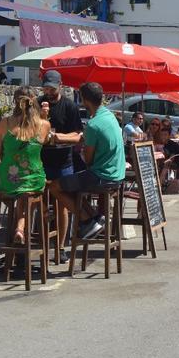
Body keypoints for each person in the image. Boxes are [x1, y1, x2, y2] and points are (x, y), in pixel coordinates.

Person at [52, 82, 126, 240]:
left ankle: (87, 220)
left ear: (84, 100)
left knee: (55, 186)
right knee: (73, 184)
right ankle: (94, 219)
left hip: (102, 177)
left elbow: (88, 159)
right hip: (117, 176)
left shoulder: (93, 125)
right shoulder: (109, 116)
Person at [0, 87, 51, 244]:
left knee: (20, 193)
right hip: (34, 179)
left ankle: (19, 227)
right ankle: (32, 218)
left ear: (14, 102)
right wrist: (44, 117)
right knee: (28, 191)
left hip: (6, 179)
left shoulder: (5, 123)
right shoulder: (44, 125)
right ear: (34, 102)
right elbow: (45, 141)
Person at [38, 70, 84, 244]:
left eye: (52, 89)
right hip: (41, 161)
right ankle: (43, 243)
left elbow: (78, 134)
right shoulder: (37, 104)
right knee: (39, 203)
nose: (48, 93)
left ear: (60, 86)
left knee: (62, 205)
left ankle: (61, 246)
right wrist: (41, 116)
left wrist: (58, 138)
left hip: (63, 162)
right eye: (46, 89)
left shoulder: (69, 106)